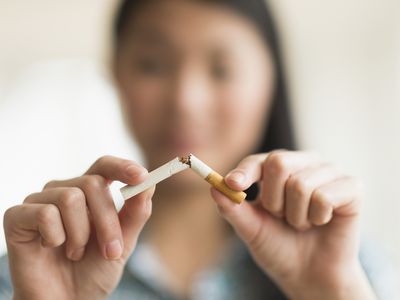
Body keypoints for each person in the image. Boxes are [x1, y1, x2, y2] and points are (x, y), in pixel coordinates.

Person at [1, 0, 397, 299]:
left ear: (269, 81)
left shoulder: (351, 268)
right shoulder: (37, 266)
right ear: (116, 73)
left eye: (221, 70)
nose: (185, 100)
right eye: (153, 65)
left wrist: (331, 289)